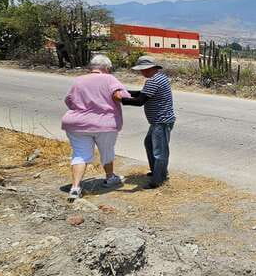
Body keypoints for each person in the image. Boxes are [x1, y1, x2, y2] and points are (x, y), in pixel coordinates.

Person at [61, 54, 130, 201]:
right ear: (107, 67)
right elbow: (122, 96)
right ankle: (110, 177)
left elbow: (68, 100)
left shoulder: (78, 80)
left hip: (76, 124)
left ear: (91, 67)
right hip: (105, 123)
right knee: (107, 151)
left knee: (80, 155)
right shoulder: (109, 79)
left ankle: (75, 187)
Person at [121, 56, 176, 189]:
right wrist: (125, 93)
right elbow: (143, 94)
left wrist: (120, 99)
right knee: (150, 144)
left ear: (150, 68)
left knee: (159, 152)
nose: (141, 72)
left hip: (161, 121)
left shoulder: (153, 81)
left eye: (143, 70)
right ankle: (158, 172)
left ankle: (158, 179)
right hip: (159, 121)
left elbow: (140, 101)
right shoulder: (160, 77)